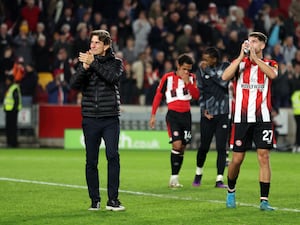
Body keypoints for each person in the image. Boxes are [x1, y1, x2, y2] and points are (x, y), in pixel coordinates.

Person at [222, 32, 278, 211]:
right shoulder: (240, 64)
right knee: (237, 159)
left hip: (263, 118)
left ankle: (264, 200)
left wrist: (255, 58)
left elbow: (272, 75)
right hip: (241, 118)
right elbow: (225, 76)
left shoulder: (270, 63)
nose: (250, 43)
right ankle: (231, 191)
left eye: (254, 41)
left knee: (264, 156)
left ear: (262, 45)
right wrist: (240, 57)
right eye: (249, 40)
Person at [70, 29, 125, 211]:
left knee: (112, 156)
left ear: (106, 45)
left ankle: (113, 200)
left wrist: (93, 64)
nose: (92, 46)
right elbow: (73, 85)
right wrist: (84, 68)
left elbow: (112, 78)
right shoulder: (87, 63)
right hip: (90, 119)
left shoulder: (116, 63)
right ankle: (95, 200)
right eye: (91, 42)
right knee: (91, 161)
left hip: (110, 118)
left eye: (96, 43)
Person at [149, 53, 200, 188]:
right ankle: (173, 177)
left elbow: (196, 96)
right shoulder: (167, 78)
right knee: (176, 145)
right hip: (173, 115)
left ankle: (176, 177)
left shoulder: (192, 78)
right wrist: (153, 115)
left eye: (189, 69)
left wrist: (188, 83)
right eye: (184, 68)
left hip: (186, 116)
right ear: (178, 66)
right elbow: (158, 96)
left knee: (182, 147)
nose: (186, 71)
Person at [192, 47, 230, 188]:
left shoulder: (226, 67)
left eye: (207, 59)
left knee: (221, 147)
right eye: (204, 59)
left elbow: (224, 83)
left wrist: (209, 72)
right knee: (204, 147)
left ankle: (219, 179)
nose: (204, 62)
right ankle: (198, 173)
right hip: (208, 115)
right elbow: (200, 91)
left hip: (223, 113)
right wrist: (203, 110)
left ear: (215, 59)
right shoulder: (200, 70)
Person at [3, 75, 22, 147]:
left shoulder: (14, 88)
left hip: (13, 111)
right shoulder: (9, 88)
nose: (6, 82)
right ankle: (9, 142)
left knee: (12, 127)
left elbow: (16, 100)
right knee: (9, 127)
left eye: (7, 80)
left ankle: (13, 142)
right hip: (8, 110)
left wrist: (14, 109)